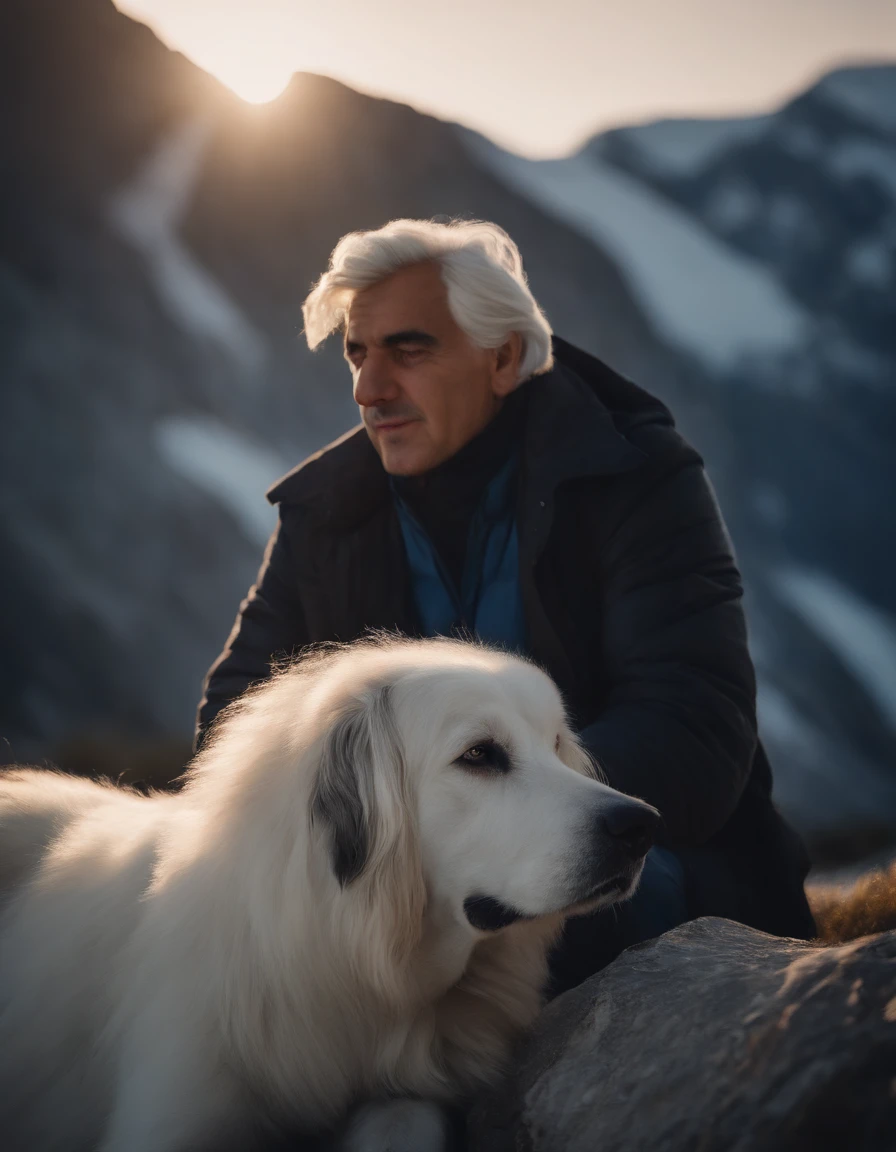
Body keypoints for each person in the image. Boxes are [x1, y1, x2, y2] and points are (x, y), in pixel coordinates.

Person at [195, 218, 816, 994]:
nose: (368, 389)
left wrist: (512, 815)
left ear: (503, 358)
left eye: (408, 350)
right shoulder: (326, 514)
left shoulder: (636, 477)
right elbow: (234, 723)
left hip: (643, 868)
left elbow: (695, 726)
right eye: (357, 354)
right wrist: (407, 833)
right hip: (401, 885)